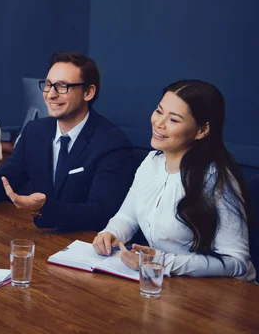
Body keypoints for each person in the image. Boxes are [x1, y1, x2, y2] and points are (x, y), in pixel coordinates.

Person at [92, 80, 255, 281]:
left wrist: (162, 262)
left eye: (174, 120)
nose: (159, 123)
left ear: (202, 130)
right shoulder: (151, 162)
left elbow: (236, 261)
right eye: (159, 111)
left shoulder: (217, 179)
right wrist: (111, 233)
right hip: (169, 283)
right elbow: (128, 217)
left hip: (223, 295)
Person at [0, 51, 136, 231]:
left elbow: (101, 213)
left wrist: (44, 208)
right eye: (48, 85)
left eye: (62, 86)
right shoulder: (35, 131)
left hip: (86, 246)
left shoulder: (112, 144)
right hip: (42, 240)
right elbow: (7, 179)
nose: (50, 95)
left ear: (88, 92)